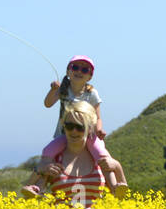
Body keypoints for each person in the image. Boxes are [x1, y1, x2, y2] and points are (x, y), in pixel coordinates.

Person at [26, 55, 127, 196]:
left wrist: (99, 129)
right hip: (63, 134)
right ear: (68, 71)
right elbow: (48, 103)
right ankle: (36, 187)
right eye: (75, 67)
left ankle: (115, 186)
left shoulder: (92, 93)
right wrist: (53, 90)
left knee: (103, 157)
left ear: (90, 76)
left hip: (89, 133)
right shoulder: (63, 90)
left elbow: (98, 117)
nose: (79, 71)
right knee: (48, 154)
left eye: (85, 69)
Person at [20, 101, 114, 208]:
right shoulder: (54, 158)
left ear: (90, 128)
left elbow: (116, 194)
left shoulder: (99, 157)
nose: (74, 131)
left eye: (80, 127)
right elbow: (28, 197)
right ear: (63, 126)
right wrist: (40, 170)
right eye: (69, 126)